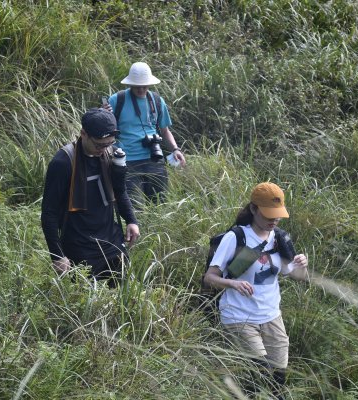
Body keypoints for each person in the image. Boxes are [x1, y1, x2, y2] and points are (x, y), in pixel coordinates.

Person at [203, 182, 309, 399]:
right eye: (269, 215)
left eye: (277, 216)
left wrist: (302, 266)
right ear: (253, 209)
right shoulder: (236, 237)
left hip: (271, 315)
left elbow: (296, 276)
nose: (274, 220)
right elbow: (210, 278)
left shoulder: (279, 237)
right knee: (258, 372)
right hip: (239, 315)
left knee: (278, 377)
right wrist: (233, 283)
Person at [41, 108, 140, 286]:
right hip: (79, 248)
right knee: (83, 306)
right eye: (99, 145)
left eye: (109, 143)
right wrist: (57, 255)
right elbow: (49, 212)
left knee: (122, 301)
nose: (103, 149)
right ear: (83, 134)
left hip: (112, 243)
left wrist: (131, 220)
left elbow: (120, 190)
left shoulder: (112, 154)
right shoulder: (63, 162)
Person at [103, 61, 186, 205]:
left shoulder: (157, 101)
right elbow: (104, 129)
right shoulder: (117, 100)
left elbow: (165, 130)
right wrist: (104, 115)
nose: (141, 89)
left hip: (154, 158)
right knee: (134, 206)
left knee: (160, 203)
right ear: (130, 84)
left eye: (144, 86)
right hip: (126, 161)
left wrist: (175, 149)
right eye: (137, 86)